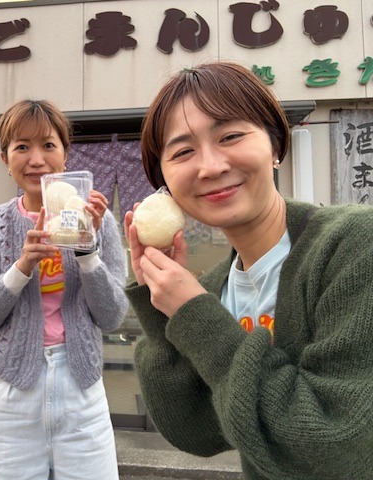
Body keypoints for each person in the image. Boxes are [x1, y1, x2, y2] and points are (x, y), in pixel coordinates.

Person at [124, 61, 373, 479]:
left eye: (231, 136)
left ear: (275, 145)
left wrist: (195, 314)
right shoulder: (211, 290)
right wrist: (163, 309)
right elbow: (194, 430)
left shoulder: (353, 245)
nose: (210, 166)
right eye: (183, 152)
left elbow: (339, 445)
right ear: (164, 183)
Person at [0, 99, 129, 479]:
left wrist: (87, 251)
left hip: (81, 385)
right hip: (10, 391)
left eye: (48, 145)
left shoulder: (98, 221)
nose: (36, 159)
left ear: (65, 155)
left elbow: (113, 315)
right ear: (5, 158)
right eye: (22, 147)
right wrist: (21, 268)